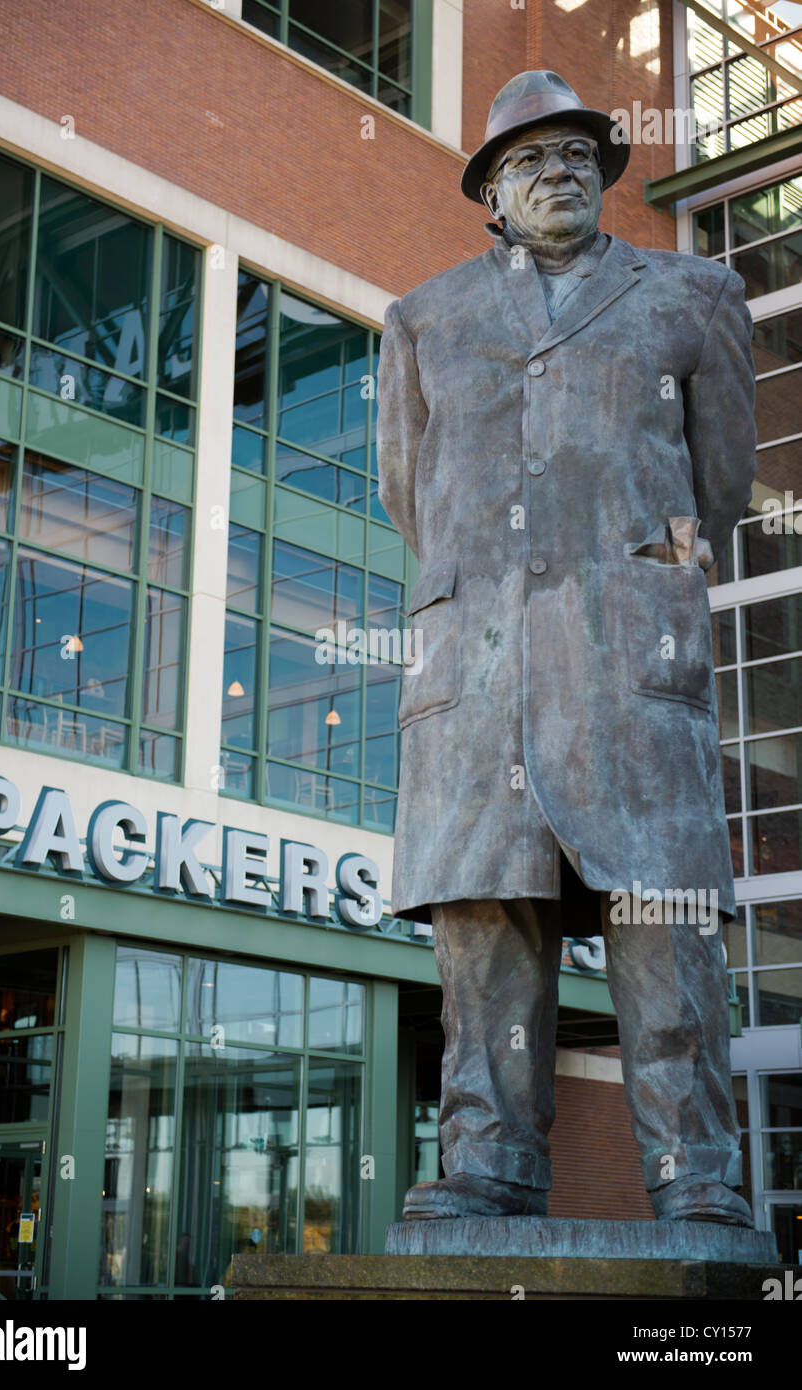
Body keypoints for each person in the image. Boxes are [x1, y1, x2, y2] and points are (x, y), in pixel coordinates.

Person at [377, 70, 756, 1226]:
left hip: (631, 668)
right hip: (477, 678)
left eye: (581, 152)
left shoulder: (693, 295)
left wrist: (634, 582)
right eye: (532, 158)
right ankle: (488, 1164)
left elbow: (721, 485)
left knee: (663, 931)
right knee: (487, 934)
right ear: (491, 190)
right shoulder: (424, 318)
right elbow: (413, 496)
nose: (561, 170)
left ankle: (699, 1177)